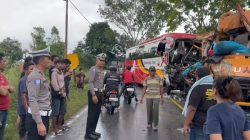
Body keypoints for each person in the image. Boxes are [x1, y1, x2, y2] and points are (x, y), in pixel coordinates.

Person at [26, 47, 52, 140]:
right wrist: (39, 123)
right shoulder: (35, 77)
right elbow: (32, 99)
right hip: (37, 119)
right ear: (41, 60)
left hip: (43, 116)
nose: (50, 61)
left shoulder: (40, 75)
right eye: (48, 58)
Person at [183, 67, 216, 140]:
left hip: (199, 125)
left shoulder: (197, 89)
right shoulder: (216, 88)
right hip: (214, 124)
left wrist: (186, 124)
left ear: (197, 76)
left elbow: (192, 109)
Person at [85, 53, 106, 140]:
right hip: (94, 93)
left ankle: (92, 131)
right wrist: (93, 95)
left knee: (97, 114)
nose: (102, 62)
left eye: (103, 61)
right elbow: (90, 82)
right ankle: (88, 134)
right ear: (96, 60)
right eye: (100, 60)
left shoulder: (101, 70)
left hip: (100, 93)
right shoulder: (93, 69)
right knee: (92, 114)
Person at [140, 66, 164, 131]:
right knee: (149, 110)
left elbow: (161, 88)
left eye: (153, 71)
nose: (152, 72)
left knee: (156, 111)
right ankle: (149, 122)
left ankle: (155, 125)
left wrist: (162, 97)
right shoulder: (146, 79)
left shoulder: (159, 78)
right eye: (151, 71)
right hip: (148, 96)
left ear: (155, 71)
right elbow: (144, 88)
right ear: (149, 72)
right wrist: (141, 97)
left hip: (156, 96)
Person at [17, 62, 34, 140]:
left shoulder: (31, 79)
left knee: (29, 129)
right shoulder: (24, 80)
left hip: (30, 108)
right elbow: (23, 96)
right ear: (25, 70)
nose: (33, 71)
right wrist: (27, 109)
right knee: (24, 130)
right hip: (24, 110)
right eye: (31, 69)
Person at [0, 53, 15, 140]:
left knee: (2, 133)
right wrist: (7, 88)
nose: (5, 63)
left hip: (4, 109)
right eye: (4, 61)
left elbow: (12, 89)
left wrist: (5, 87)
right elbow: (3, 92)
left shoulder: (2, 75)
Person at [50, 59, 67, 135]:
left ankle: (59, 126)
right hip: (56, 94)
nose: (61, 65)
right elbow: (54, 83)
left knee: (62, 111)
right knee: (55, 112)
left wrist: (63, 92)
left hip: (62, 94)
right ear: (56, 64)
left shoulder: (61, 72)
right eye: (59, 63)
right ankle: (55, 129)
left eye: (62, 64)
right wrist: (59, 91)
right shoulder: (54, 72)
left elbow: (62, 82)